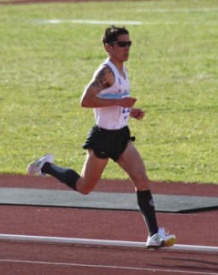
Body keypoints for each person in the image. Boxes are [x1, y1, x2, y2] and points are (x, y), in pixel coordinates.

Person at [27, 25, 176, 248]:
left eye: (129, 44)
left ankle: (154, 235)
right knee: (84, 187)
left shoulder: (123, 71)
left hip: (121, 137)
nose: (126, 48)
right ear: (108, 47)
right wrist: (119, 103)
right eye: (121, 44)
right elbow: (85, 100)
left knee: (141, 180)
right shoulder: (106, 72)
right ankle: (46, 166)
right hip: (103, 138)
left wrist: (129, 111)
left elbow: (117, 99)